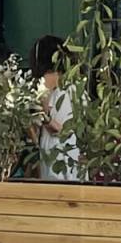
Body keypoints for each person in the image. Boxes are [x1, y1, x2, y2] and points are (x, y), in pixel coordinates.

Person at [32, 35, 80, 181]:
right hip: (59, 148)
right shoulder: (72, 86)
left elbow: (59, 129)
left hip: (59, 149)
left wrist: (44, 114)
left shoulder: (62, 88)